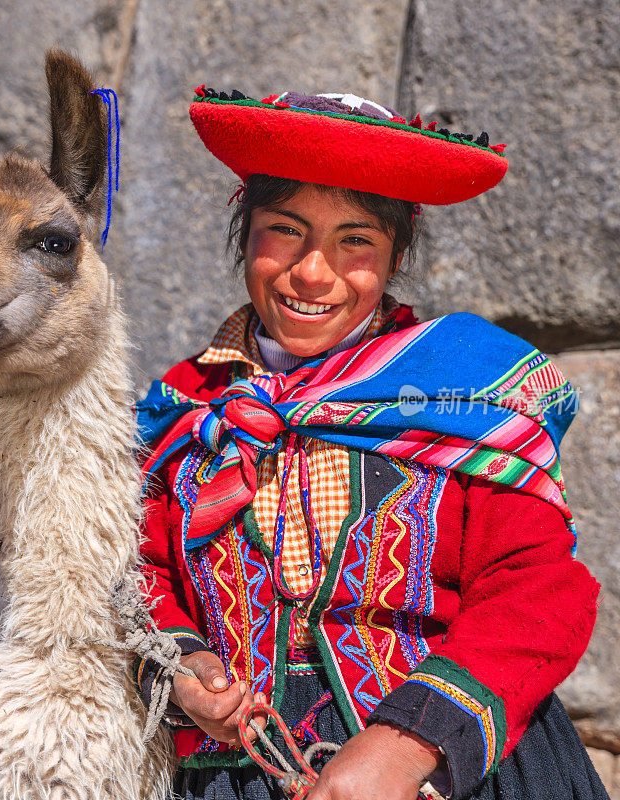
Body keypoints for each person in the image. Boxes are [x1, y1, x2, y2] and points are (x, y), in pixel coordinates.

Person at [134, 88, 608, 800]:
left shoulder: (468, 391)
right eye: (284, 230)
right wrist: (185, 670)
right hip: (236, 778)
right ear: (244, 231)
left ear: (396, 255)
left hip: (443, 768)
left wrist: (403, 746)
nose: (312, 273)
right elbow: (143, 573)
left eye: (354, 240)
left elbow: (539, 592)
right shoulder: (184, 408)